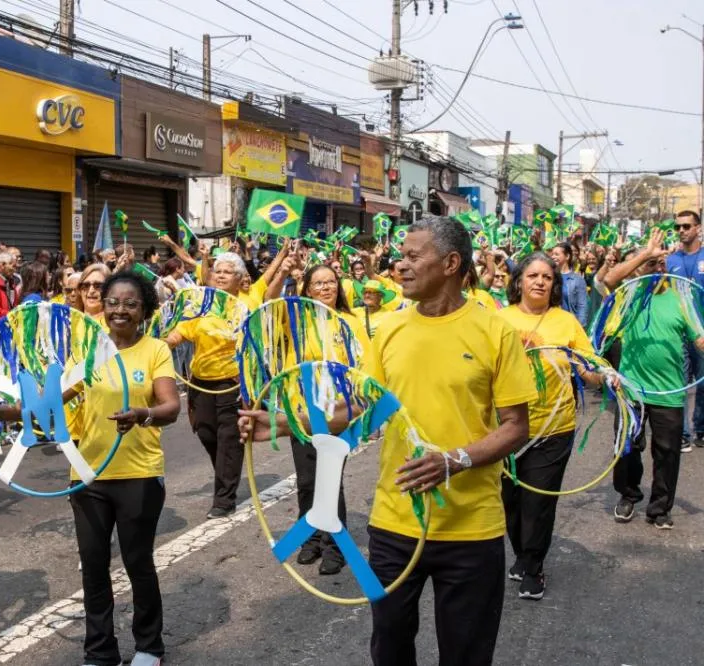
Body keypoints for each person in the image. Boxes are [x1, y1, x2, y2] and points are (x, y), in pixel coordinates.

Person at [242, 217, 536, 664]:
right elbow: (362, 406)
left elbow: (517, 425)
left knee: (466, 655)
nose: (400, 266)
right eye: (400, 256)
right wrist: (286, 424)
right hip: (395, 525)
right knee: (390, 647)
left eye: (413, 256)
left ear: (452, 263)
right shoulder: (391, 330)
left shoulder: (494, 331)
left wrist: (454, 460)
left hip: (471, 529)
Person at [0, 271, 180, 666]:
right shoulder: (90, 352)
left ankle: (149, 647)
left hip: (139, 475)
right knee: (94, 568)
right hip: (89, 476)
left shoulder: (155, 350)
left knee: (138, 563)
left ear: (144, 308)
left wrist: (142, 413)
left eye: (130, 304)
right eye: (113, 303)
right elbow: (50, 406)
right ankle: (99, 651)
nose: (119, 310)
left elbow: (170, 407)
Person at [497, 253, 605, 600]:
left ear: (554, 284)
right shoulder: (500, 320)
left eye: (547, 277)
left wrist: (603, 376)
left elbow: (588, 367)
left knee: (537, 503)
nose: (540, 281)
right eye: (533, 276)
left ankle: (533, 567)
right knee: (510, 503)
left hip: (554, 429)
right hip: (508, 429)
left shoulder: (565, 322)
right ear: (519, 282)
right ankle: (522, 555)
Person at [163, 252, 281, 520]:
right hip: (201, 382)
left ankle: (224, 499)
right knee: (206, 434)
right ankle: (226, 473)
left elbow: (257, 342)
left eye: (228, 271)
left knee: (230, 440)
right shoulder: (203, 304)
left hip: (233, 384)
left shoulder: (247, 305)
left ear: (240, 279)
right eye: (217, 270)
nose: (220, 275)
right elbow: (181, 332)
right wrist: (162, 345)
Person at [604, 228, 704, 529]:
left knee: (668, 454)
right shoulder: (629, 294)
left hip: (670, 392)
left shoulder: (682, 298)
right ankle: (628, 494)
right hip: (632, 389)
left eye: (662, 263)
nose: (657, 269)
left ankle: (659, 508)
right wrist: (645, 255)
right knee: (627, 448)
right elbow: (608, 279)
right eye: (652, 264)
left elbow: (699, 340)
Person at [286, 263, 371, 575]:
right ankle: (311, 539)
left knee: (329, 480)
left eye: (331, 282)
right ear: (307, 289)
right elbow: (261, 308)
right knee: (307, 481)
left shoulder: (352, 322)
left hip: (339, 415)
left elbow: (365, 368)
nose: (325, 288)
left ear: (340, 287)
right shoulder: (296, 321)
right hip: (303, 413)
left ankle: (336, 545)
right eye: (318, 283)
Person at [665, 210, 704, 448]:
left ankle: (700, 427)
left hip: (702, 333)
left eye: (686, 226)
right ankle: (683, 434)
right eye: (678, 227)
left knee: (703, 384)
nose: (681, 231)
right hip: (679, 332)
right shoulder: (671, 260)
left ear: (698, 228)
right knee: (679, 383)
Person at [549, 243, 588, 327]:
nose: (553, 257)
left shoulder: (578, 280)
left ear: (567, 256)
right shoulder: (549, 277)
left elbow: (582, 306)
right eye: (552, 254)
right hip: (551, 325)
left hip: (569, 325)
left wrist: (579, 328)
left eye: (556, 254)